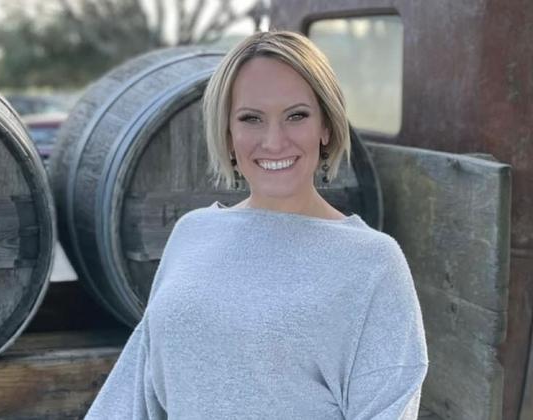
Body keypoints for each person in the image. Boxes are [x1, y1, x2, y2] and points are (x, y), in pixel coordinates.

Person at [85, 30, 428, 419]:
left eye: (296, 116)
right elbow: (132, 395)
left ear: (326, 127)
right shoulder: (192, 234)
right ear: (228, 135)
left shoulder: (374, 263)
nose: (274, 141)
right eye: (251, 119)